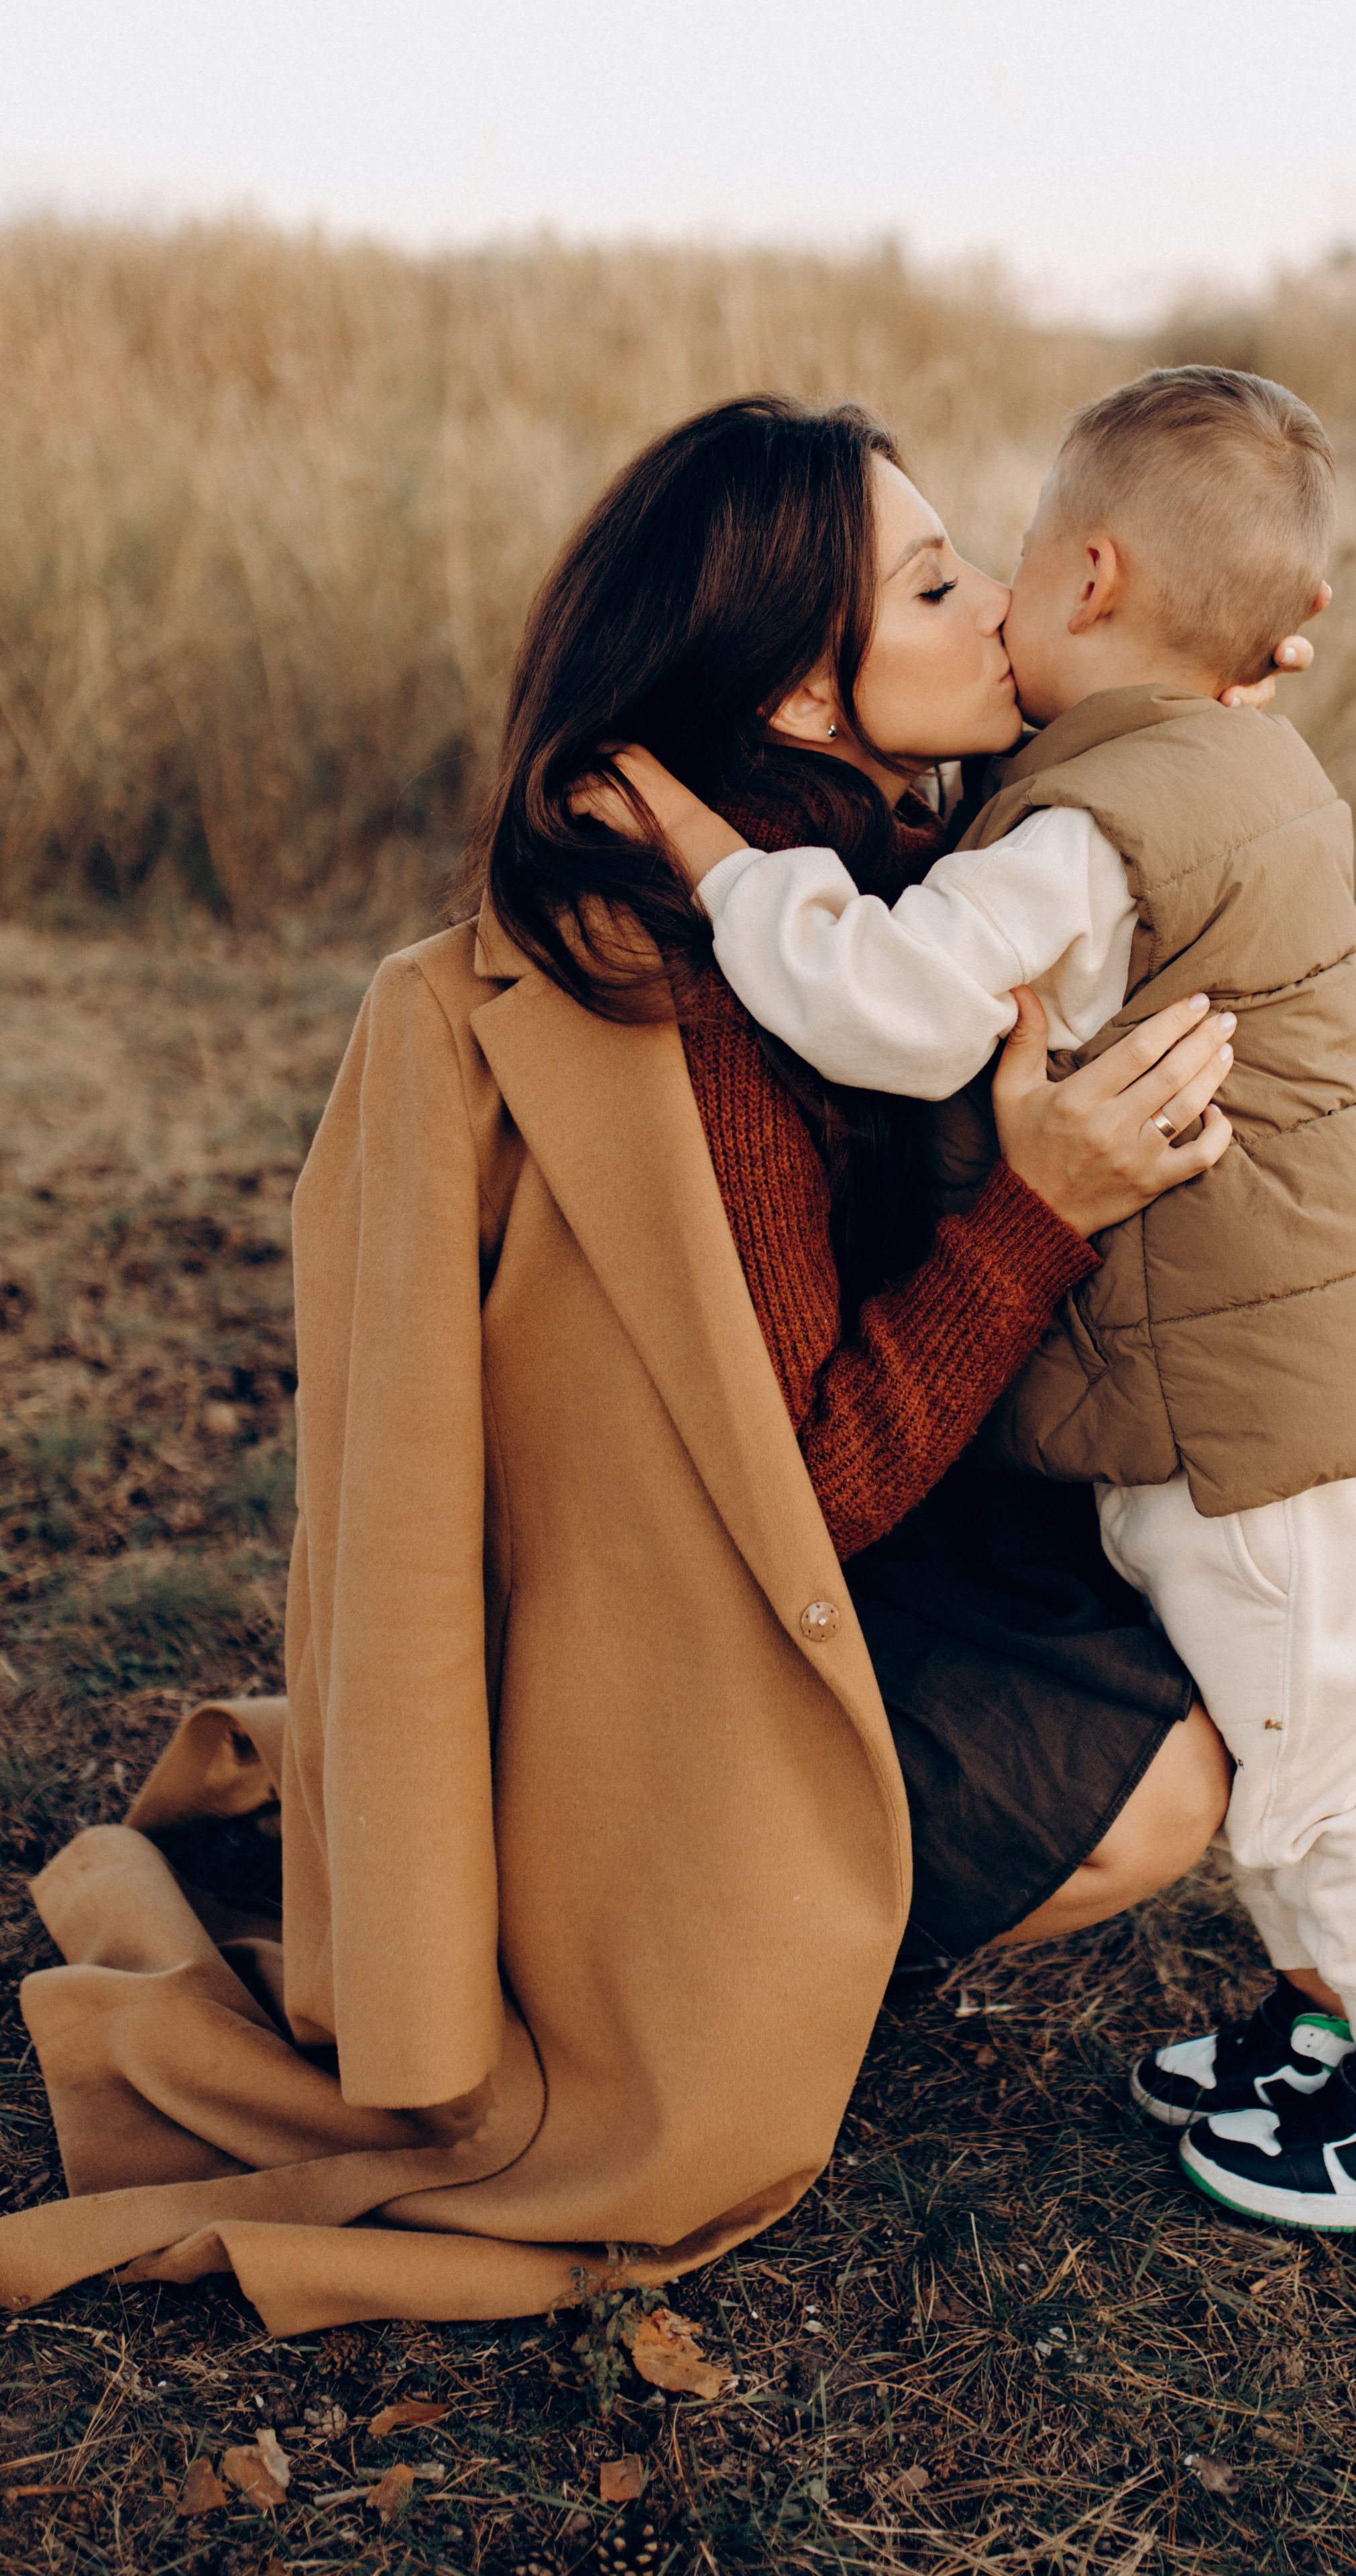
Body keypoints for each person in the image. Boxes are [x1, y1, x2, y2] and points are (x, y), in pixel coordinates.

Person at [0, 394, 1287, 2332]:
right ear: (795, 700)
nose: (1006, 614)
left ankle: (809, 1920)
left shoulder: (856, 888)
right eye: (938, 586)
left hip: (732, 1596)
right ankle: (737, 1957)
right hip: (686, 1664)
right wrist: (1039, 1204)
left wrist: (1197, 706)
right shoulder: (689, 1000)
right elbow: (816, 1483)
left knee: (1214, 1631)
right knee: (1166, 1779)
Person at [610, 368, 1356, 2238]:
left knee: (1316, 1762)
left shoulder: (1079, 828)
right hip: (1277, 1388)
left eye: (980, 571)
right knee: (1299, 1730)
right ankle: (1336, 2038)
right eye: (931, 588)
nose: (987, 611)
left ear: (1087, 579)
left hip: (1268, 1411)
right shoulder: (1200, 769)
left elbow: (894, 992)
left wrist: (724, 864)